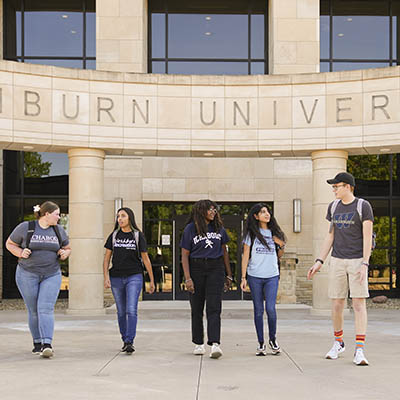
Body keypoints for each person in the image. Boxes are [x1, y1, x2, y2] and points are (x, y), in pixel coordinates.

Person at [307, 172, 374, 366]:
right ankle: (338, 342)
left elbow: (367, 237)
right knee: (337, 304)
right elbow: (330, 236)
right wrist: (319, 260)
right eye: (333, 187)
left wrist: (365, 263)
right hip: (337, 260)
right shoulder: (333, 207)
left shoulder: (363, 206)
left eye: (337, 186)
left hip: (357, 261)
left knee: (359, 304)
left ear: (348, 187)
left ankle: (359, 349)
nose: (334, 189)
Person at [6, 201, 71, 358]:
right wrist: (20, 253)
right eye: (57, 214)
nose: (59, 217)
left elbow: (68, 247)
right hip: (27, 273)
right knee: (34, 310)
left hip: (52, 274)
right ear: (47, 214)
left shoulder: (58, 230)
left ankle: (47, 344)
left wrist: (64, 253)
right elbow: (10, 244)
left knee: (45, 308)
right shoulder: (26, 227)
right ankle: (37, 342)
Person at [180, 199, 232, 359]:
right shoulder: (190, 229)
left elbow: (224, 252)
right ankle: (198, 343)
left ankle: (215, 343)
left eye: (215, 209)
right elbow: (184, 255)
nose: (213, 212)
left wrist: (229, 275)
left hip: (215, 268)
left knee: (214, 307)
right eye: (210, 209)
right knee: (197, 308)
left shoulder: (219, 229)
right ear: (201, 210)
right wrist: (188, 278)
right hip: (196, 268)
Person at [103, 207, 155, 354]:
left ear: (130, 218)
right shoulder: (113, 236)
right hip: (116, 277)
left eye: (123, 216)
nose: (120, 219)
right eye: (118, 216)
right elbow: (106, 259)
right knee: (121, 311)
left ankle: (129, 341)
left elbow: (146, 259)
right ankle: (124, 338)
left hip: (134, 276)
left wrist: (151, 280)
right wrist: (106, 277)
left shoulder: (138, 236)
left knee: (131, 310)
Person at [240, 203, 286, 356]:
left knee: (271, 309)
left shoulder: (275, 232)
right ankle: (261, 343)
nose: (267, 214)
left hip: (272, 275)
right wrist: (243, 277)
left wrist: (281, 245)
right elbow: (245, 255)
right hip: (255, 276)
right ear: (256, 216)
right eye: (263, 212)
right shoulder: (251, 234)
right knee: (258, 310)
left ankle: (273, 339)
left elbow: (279, 255)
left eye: (268, 212)